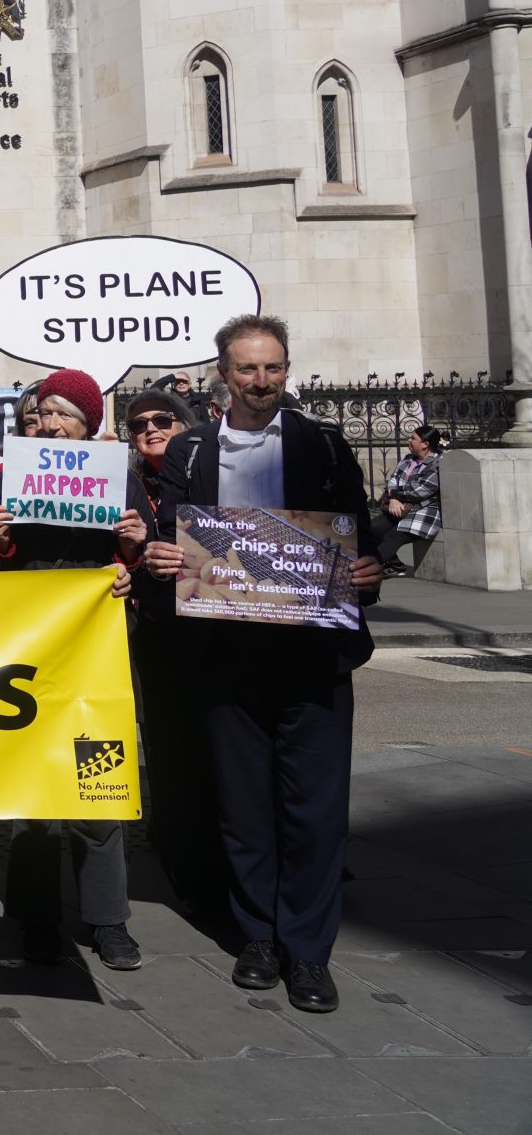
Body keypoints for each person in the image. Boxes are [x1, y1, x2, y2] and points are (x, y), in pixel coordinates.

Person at [142, 314, 382, 1014]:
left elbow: (357, 534)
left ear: (286, 368)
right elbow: (171, 539)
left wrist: (369, 568)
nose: (261, 381)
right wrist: (161, 559)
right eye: (247, 368)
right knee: (243, 804)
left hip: (311, 652)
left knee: (313, 808)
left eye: (272, 367)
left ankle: (307, 951)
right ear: (223, 372)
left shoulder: (325, 444)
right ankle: (256, 935)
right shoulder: (190, 450)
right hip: (226, 652)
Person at [0, 370, 141, 973]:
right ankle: (37, 919)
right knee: (36, 792)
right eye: (44, 412)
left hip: (94, 644)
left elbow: (141, 558)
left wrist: (130, 557)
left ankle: (108, 919)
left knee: (99, 779)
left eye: (65, 414)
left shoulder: (117, 475)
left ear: (88, 423)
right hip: (29, 647)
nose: (50, 423)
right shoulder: (6, 475)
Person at [113, 388, 224, 920]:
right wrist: (134, 551)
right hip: (156, 632)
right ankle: (181, 846)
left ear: (185, 425)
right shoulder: (126, 483)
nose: (153, 430)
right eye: (140, 425)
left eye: (164, 420)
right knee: (166, 744)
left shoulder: (212, 472)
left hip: (219, 635)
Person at [380, 426, 443, 577]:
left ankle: (368, 568)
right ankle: (394, 565)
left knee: (392, 537)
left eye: (413, 438)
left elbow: (421, 490)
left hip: (424, 512)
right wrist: (394, 499)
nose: (409, 440)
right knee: (372, 529)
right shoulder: (408, 459)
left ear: (425, 444)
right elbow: (393, 479)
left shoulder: (438, 463)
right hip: (401, 507)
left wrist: (393, 493)